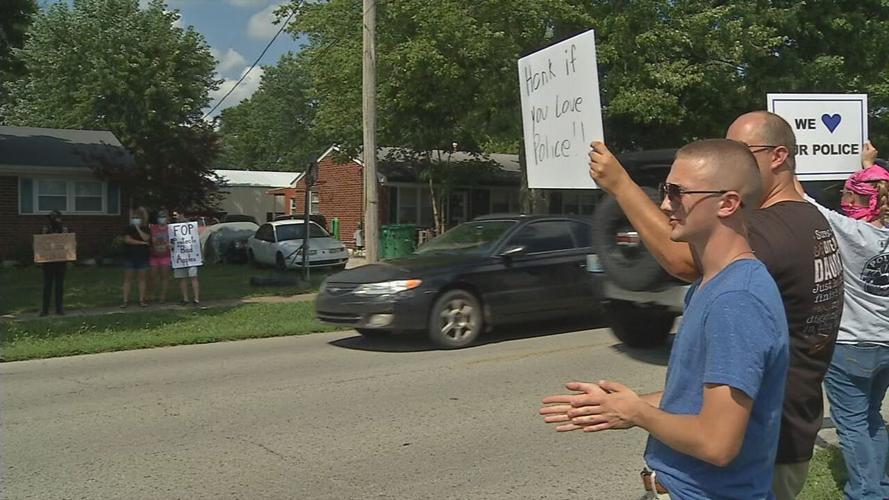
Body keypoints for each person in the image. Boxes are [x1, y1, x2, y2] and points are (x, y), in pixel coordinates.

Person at [580, 111, 843, 498]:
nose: (666, 204)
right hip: (776, 428)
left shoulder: (747, 276)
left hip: (759, 451)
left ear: (778, 156)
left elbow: (681, 261)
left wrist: (621, 186)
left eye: (677, 193)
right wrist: (627, 404)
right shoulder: (803, 221)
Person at [541, 139, 788, 499]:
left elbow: (718, 444)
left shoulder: (736, 300)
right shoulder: (713, 282)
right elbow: (695, 398)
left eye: (677, 193)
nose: (665, 203)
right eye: (664, 190)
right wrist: (617, 404)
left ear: (728, 203)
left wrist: (637, 414)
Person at [795, 142, 889, 499]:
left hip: (850, 343)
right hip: (885, 342)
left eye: (850, 195)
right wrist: (868, 164)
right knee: (872, 417)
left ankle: (866, 493)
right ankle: (880, 485)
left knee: (851, 425)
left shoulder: (848, 232)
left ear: (867, 200)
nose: (844, 200)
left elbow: (803, 200)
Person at [39, 210, 68, 316]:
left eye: (53, 218)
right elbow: (40, 243)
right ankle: (45, 309)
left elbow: (69, 244)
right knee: (47, 286)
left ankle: (59, 308)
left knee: (59, 286)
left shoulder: (64, 229)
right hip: (48, 262)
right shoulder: (45, 229)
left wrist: (65, 234)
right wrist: (43, 234)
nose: (51, 220)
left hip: (60, 262)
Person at [121, 206, 150, 307]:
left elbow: (146, 238)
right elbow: (127, 240)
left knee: (142, 279)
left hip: (142, 257)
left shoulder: (146, 228)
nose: (135, 219)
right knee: (127, 279)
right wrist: (142, 243)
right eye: (134, 218)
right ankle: (125, 300)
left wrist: (138, 228)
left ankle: (141, 300)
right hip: (129, 257)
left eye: (137, 218)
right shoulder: (128, 228)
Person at [171, 210, 200, 306]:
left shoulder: (191, 226)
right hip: (179, 257)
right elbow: (172, 241)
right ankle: (185, 299)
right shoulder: (173, 228)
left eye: (176, 215)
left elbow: (196, 240)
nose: (175, 217)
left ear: (182, 214)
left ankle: (196, 299)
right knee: (182, 278)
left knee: (193, 277)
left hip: (191, 256)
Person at [148, 210, 172, 303]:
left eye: (164, 217)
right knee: (152, 277)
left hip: (166, 256)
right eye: (160, 217)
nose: (162, 219)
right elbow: (153, 241)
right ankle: (151, 295)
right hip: (154, 255)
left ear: (167, 218)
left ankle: (163, 296)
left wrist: (168, 245)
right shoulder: (153, 228)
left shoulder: (171, 229)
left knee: (164, 277)